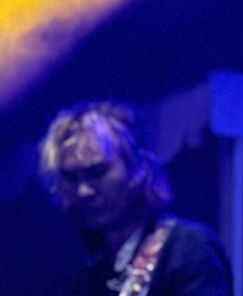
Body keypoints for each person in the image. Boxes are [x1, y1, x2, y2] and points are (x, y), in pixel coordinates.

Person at [39, 101, 232, 296]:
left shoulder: (187, 248)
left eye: (97, 172)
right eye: (71, 178)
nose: (84, 191)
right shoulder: (91, 272)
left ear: (139, 168)